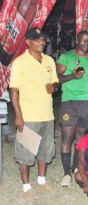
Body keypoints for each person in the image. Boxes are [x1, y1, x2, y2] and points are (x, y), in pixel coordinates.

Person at [10, 27, 59, 200]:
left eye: (43, 39)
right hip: (29, 116)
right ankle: (26, 186)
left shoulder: (49, 61)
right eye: (37, 40)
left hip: (48, 115)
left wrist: (54, 87)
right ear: (28, 42)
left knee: (46, 151)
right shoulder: (20, 63)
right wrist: (18, 115)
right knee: (26, 153)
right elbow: (14, 91)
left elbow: (56, 83)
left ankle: (41, 180)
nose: (42, 42)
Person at [57, 31, 88, 187]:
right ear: (77, 40)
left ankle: (75, 167)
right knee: (67, 137)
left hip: (86, 103)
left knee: (80, 137)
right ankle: (66, 174)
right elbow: (56, 78)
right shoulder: (66, 57)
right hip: (69, 102)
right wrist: (72, 76)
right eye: (83, 39)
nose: (85, 42)